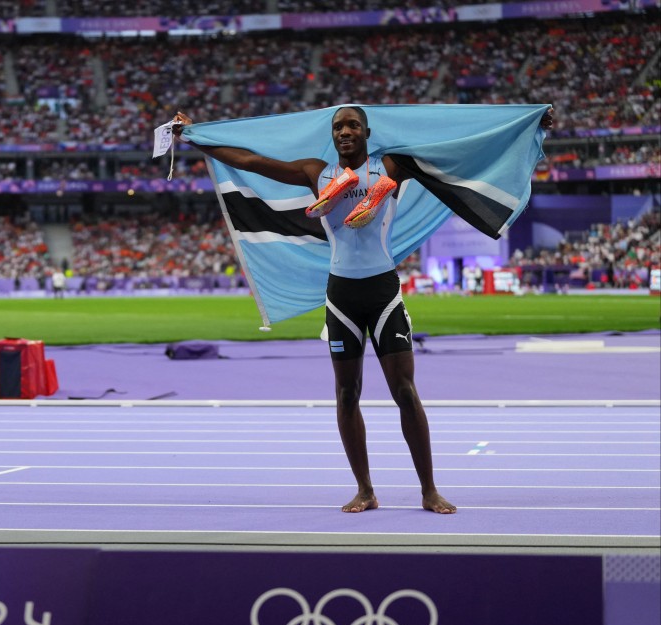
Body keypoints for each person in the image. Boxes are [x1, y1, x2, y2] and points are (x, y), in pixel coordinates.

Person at [173, 106, 553, 514]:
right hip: (341, 295)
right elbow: (252, 161)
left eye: (353, 124)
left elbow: (459, 147)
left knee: (405, 392)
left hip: (383, 291)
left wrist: (527, 125)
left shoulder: (388, 165)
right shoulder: (314, 171)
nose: (345, 131)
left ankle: (429, 490)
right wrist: (196, 136)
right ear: (332, 136)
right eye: (338, 127)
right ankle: (365, 490)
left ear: (367, 131)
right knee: (346, 393)